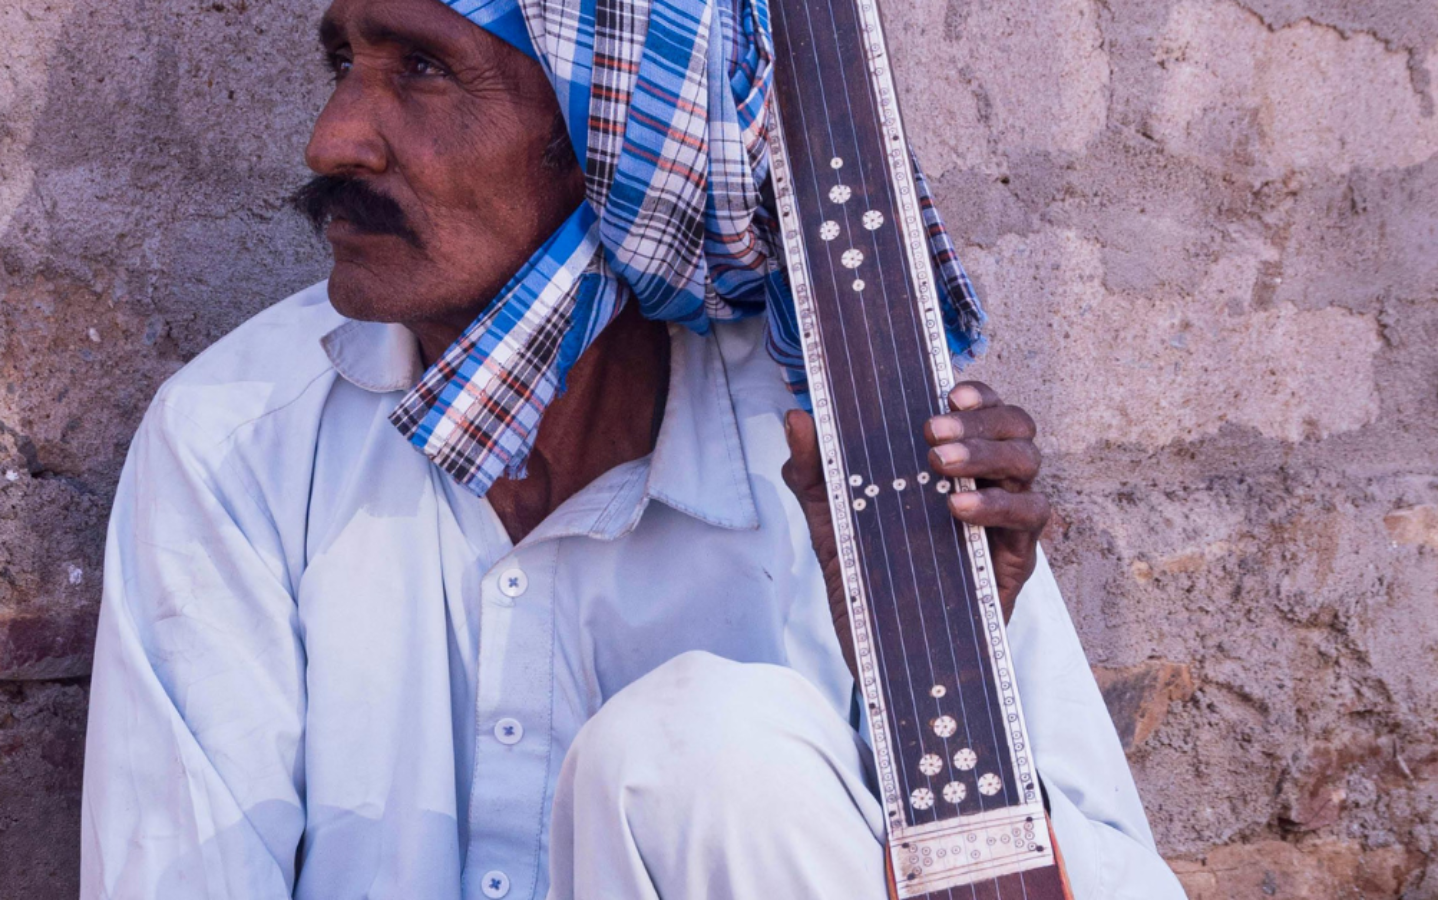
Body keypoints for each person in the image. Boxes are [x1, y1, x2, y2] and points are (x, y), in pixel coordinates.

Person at [78, 0, 1184, 897]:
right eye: (343, 61)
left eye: (420, 68)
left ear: (617, 139)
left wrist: (921, 667)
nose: (335, 137)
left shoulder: (851, 431)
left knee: (703, 751)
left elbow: (1116, 878)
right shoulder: (240, 437)